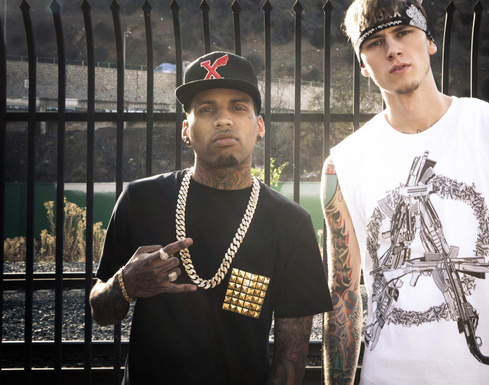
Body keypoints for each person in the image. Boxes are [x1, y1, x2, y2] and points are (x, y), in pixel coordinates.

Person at [321, 0, 489, 385]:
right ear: (363, 64)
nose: (393, 49)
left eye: (403, 32)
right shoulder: (342, 164)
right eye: (375, 42)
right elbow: (342, 302)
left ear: (430, 41)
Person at [90, 51, 332, 384]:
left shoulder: (291, 224)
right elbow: (100, 313)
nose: (223, 120)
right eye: (206, 109)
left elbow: (291, 356)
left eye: (239, 108)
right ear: (185, 130)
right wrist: (124, 284)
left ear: (259, 126)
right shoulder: (140, 200)